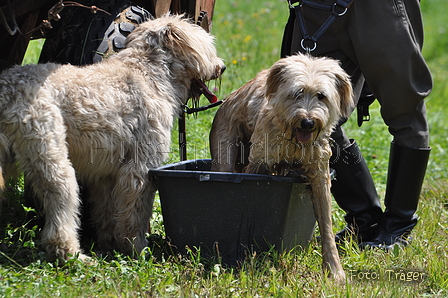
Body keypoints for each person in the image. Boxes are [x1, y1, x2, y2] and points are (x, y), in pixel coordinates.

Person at [281, 0, 432, 249]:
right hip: (315, 6)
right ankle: (364, 220)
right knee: (310, 116)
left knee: (405, 110)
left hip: (376, 9)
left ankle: (398, 225)